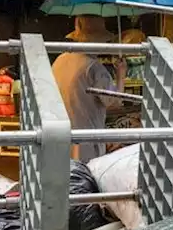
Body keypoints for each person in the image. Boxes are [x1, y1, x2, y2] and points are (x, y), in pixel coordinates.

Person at [52, 15, 126, 162]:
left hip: (59, 138)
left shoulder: (59, 60)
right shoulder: (94, 67)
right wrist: (121, 75)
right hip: (87, 141)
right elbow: (114, 102)